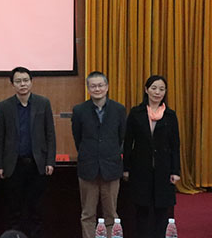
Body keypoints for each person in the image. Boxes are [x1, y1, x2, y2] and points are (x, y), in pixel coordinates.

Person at [0, 66, 56, 238]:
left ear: (31, 82)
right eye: (18, 81)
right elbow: (0, 137)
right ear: (12, 84)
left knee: (36, 207)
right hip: (14, 165)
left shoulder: (43, 103)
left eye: (25, 80)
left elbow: (50, 134)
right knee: (14, 208)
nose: (22, 84)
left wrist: (50, 161)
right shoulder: (5, 106)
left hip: (37, 164)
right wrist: (0, 165)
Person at [123, 75, 180, 238]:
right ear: (146, 90)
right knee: (142, 210)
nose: (157, 92)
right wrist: (126, 168)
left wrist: (175, 171)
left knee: (162, 211)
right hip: (141, 169)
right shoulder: (136, 113)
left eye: (161, 89)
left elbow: (175, 145)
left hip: (164, 169)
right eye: (154, 88)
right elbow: (128, 142)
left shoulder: (170, 115)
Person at [71, 71, 126, 238]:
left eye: (100, 85)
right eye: (93, 86)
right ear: (88, 88)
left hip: (111, 167)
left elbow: (122, 137)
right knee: (87, 214)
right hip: (88, 167)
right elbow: (78, 138)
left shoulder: (119, 109)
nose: (97, 89)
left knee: (111, 214)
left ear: (107, 87)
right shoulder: (79, 110)